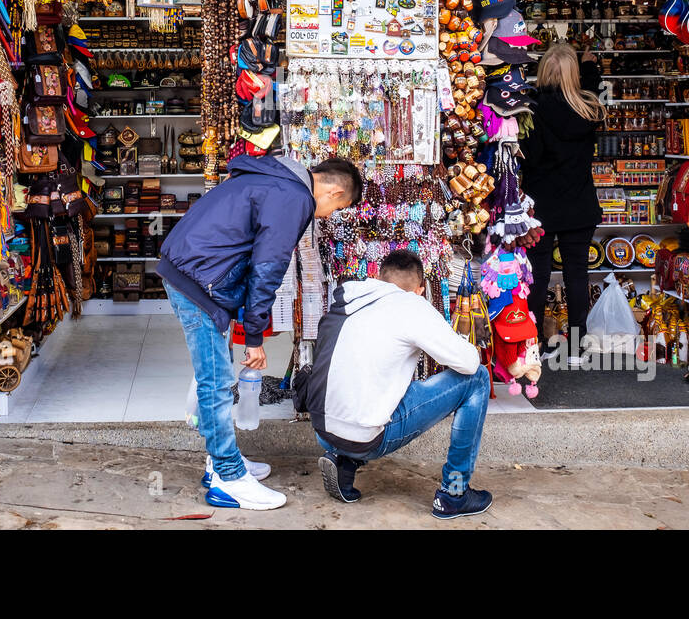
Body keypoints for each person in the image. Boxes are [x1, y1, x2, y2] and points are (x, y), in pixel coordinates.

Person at [159, 155, 362, 511]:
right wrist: (254, 336)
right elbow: (267, 269)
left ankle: (221, 462)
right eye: (337, 207)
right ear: (333, 190)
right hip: (198, 282)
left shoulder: (275, 179)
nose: (328, 216)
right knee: (217, 383)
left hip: (195, 274)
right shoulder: (294, 196)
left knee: (215, 380)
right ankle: (228, 478)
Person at [301, 249, 492, 519]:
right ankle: (455, 493)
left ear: (380, 277)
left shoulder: (348, 297)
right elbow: (469, 363)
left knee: (379, 387)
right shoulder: (411, 304)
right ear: (421, 289)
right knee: (478, 378)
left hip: (323, 430)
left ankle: (344, 461)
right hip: (367, 438)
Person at [518, 41, 606, 365]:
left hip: (540, 207)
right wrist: (590, 67)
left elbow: (529, 159)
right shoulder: (589, 110)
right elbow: (592, 92)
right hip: (580, 205)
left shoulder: (531, 111)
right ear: (574, 76)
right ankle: (578, 346)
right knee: (577, 275)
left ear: (542, 72)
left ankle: (533, 344)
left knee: (537, 277)